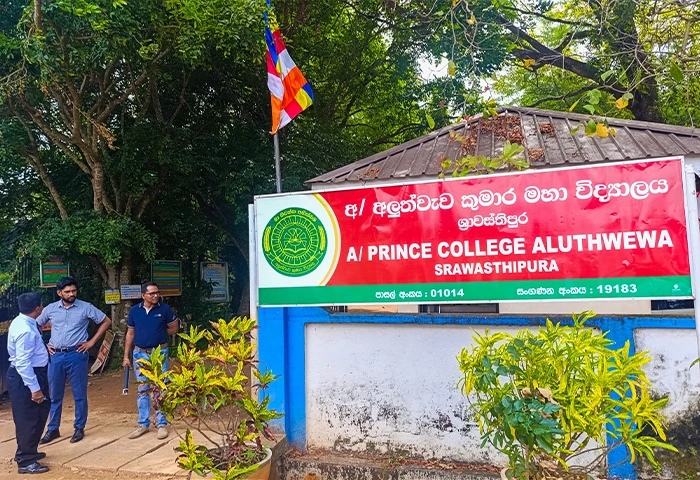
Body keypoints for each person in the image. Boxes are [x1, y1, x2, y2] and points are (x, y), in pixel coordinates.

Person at [37, 277, 112, 444]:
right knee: (54, 394)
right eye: (67, 292)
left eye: (73, 291)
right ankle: (53, 428)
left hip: (76, 354)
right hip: (56, 355)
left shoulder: (85, 307)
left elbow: (106, 321)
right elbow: (36, 325)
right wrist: (44, 345)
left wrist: (91, 342)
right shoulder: (50, 309)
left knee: (79, 394)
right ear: (59, 293)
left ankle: (79, 427)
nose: (71, 294)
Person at [123, 282, 178, 440]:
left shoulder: (165, 309)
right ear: (143, 296)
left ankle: (161, 424)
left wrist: (158, 335)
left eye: (157, 293)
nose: (155, 296)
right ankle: (143, 424)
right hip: (140, 354)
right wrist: (126, 356)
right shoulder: (135, 311)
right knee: (143, 389)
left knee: (159, 388)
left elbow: (173, 328)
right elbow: (130, 333)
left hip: (159, 353)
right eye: (152, 293)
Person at [7, 292, 50, 474]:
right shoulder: (25, 330)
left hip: (34, 374)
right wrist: (35, 389)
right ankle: (25, 460)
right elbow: (23, 363)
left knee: (40, 412)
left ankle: (29, 450)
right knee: (28, 418)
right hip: (26, 377)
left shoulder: (23, 322)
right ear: (38, 308)